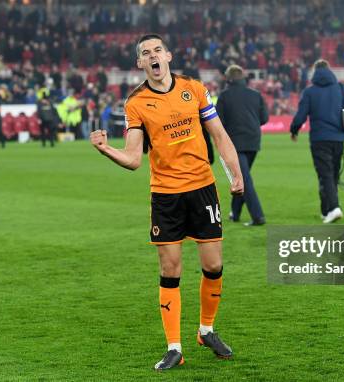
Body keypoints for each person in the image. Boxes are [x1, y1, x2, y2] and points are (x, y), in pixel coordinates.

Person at [89, 34, 244, 371]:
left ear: (169, 55)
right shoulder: (136, 103)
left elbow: (219, 135)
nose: (153, 56)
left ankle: (206, 330)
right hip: (166, 194)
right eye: (146, 53)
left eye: (158, 50)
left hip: (202, 187)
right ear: (140, 64)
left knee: (214, 265)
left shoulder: (194, 89)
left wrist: (235, 172)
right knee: (170, 268)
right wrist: (105, 149)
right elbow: (133, 159)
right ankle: (174, 347)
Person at [289, 59, 344, 223]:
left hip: (319, 139)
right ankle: (326, 210)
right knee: (332, 174)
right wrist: (343, 119)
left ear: (315, 72)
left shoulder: (309, 92)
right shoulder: (343, 89)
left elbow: (301, 115)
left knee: (325, 174)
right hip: (339, 138)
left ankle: (334, 208)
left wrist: (294, 130)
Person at [216, 64, 269, 226]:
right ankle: (236, 213)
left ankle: (257, 216)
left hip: (234, 143)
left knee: (243, 179)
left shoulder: (224, 96)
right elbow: (264, 118)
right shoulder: (256, 95)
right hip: (253, 142)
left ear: (228, 79)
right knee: (242, 177)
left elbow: (219, 122)